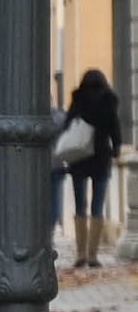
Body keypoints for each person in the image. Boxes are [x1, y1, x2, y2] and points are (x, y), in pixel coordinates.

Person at [65, 69, 123, 268]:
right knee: (97, 206)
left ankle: (80, 254)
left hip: (79, 158)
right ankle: (92, 255)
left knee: (80, 205)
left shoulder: (78, 99)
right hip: (101, 158)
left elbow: (67, 125)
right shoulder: (109, 101)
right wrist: (116, 148)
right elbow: (115, 127)